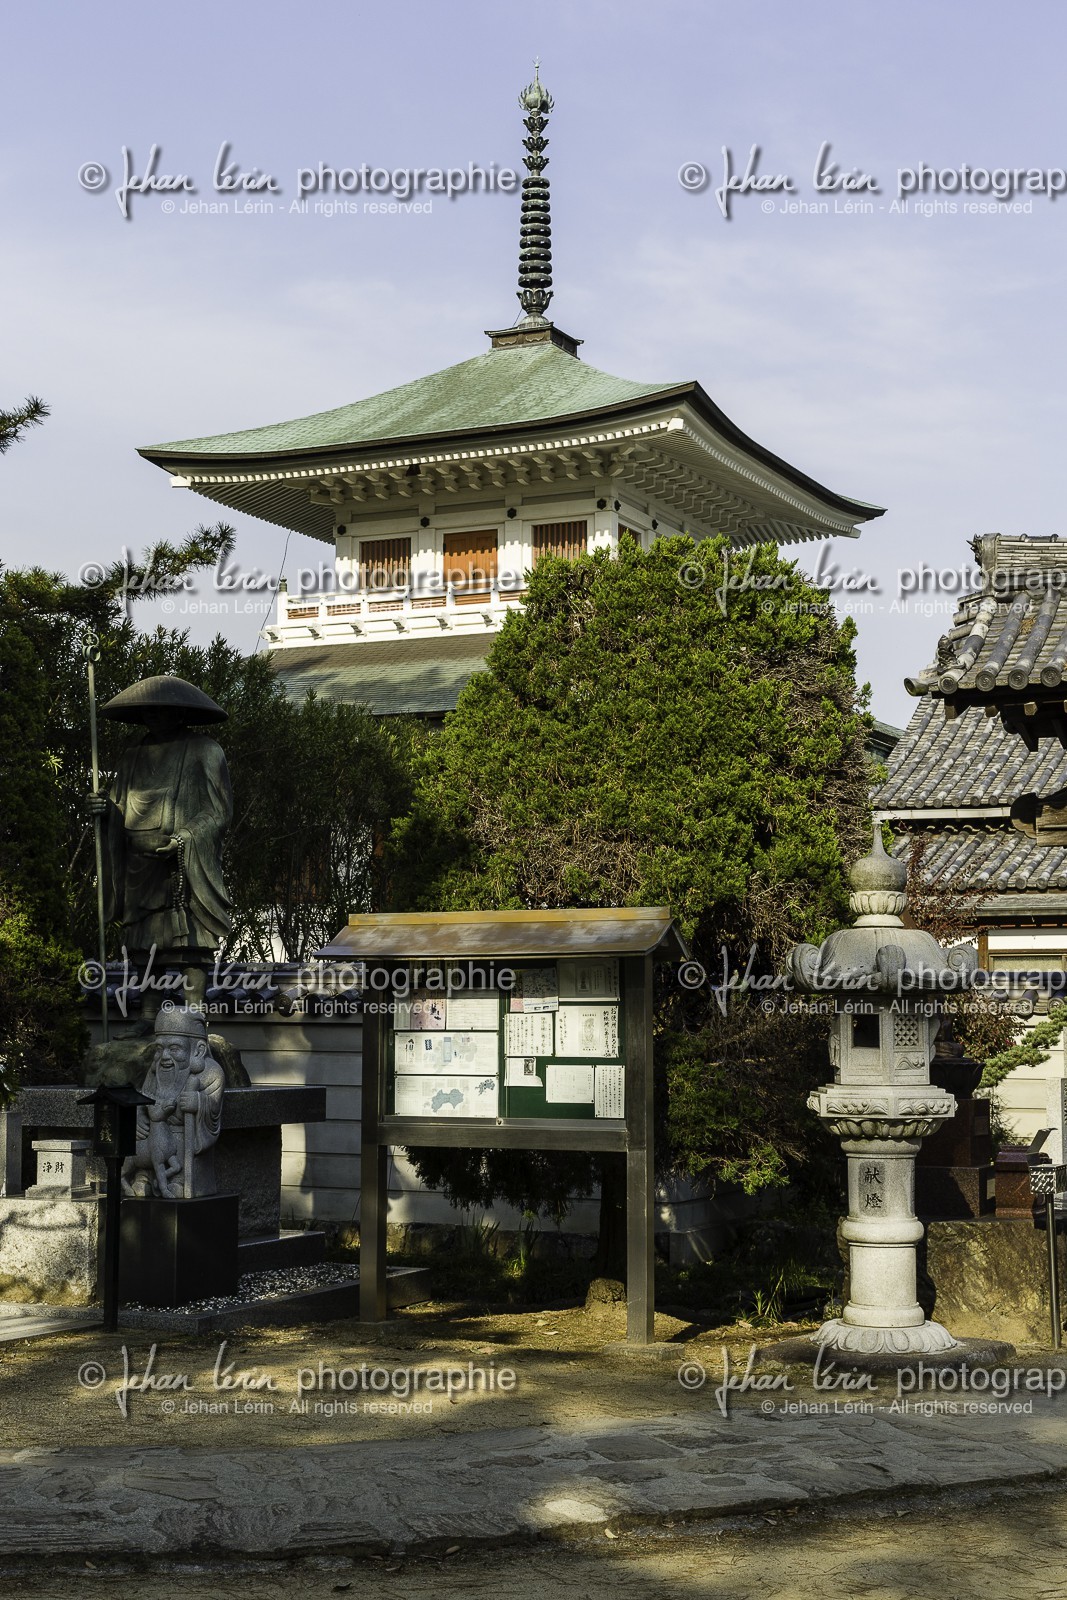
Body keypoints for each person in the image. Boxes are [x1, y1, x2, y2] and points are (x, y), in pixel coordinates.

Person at [87, 674, 233, 1012]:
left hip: (181, 864)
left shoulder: (205, 752)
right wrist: (103, 809)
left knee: (190, 945)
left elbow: (219, 811)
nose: (153, 716)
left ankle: (194, 1015)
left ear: (180, 713)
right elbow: (119, 807)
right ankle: (149, 1015)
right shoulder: (132, 757)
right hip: (139, 866)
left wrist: (185, 838)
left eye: (162, 710)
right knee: (144, 947)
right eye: (148, 711)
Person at [121, 1004, 226, 1199]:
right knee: (146, 1145)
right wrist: (138, 1116)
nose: (165, 1057)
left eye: (175, 1048)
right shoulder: (155, 1071)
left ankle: (178, 1180)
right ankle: (145, 1177)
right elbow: (142, 1100)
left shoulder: (211, 1073)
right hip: (154, 1138)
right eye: (160, 1048)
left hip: (185, 1140)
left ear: (197, 1050)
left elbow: (212, 1113)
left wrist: (199, 1103)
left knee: (175, 1146)